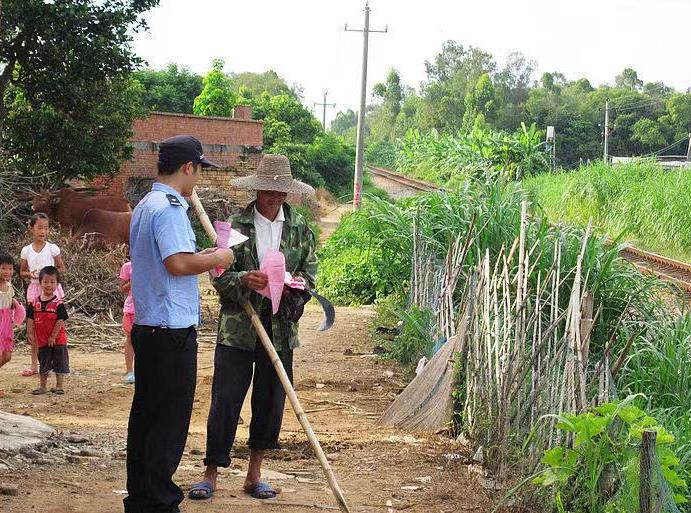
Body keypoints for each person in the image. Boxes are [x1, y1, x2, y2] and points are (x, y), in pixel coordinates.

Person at [189, 154, 317, 501]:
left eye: (278, 193)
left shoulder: (301, 229)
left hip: (279, 332)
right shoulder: (233, 226)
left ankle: (254, 474)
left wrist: (297, 286)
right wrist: (244, 279)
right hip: (238, 329)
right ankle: (211, 472)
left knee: (270, 402)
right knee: (225, 401)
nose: (271, 198)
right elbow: (218, 275)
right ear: (257, 190)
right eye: (265, 192)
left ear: (287, 194)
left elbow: (311, 274)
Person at [124, 135, 234, 513]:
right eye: (199, 169)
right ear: (188, 167)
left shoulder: (145, 204)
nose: (198, 179)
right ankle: (160, 502)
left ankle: (140, 498)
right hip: (170, 334)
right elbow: (177, 264)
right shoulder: (170, 208)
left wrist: (200, 255)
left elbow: (174, 258)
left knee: (146, 418)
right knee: (168, 424)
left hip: (149, 328)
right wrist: (219, 256)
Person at [19, 213, 66, 377]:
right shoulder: (26, 251)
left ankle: (56, 363)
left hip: (51, 291)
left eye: (46, 228)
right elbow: (22, 271)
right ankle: (34, 365)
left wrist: (49, 275)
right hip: (35, 290)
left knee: (54, 326)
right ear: (31, 228)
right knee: (35, 327)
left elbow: (61, 268)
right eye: (39, 228)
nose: (43, 231)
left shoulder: (52, 248)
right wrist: (30, 274)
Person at [26, 266, 69, 395]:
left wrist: (53, 336)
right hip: (42, 340)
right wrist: (29, 332)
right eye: (45, 282)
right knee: (43, 362)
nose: (48, 285)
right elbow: (30, 318)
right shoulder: (34, 303)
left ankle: (59, 386)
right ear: (40, 283)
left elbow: (60, 320)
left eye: (52, 282)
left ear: (57, 284)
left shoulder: (58, 303)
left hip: (58, 340)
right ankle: (43, 386)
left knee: (59, 362)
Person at [0, 252, 26, 398]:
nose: (7, 272)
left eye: (10, 269)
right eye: (3, 268)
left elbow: (9, 301)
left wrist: (15, 305)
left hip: (6, 325)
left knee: (7, 356)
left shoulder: (9, 286)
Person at [119, 260, 135, 384]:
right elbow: (123, 289)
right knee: (130, 338)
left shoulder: (152, 263)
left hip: (148, 309)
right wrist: (132, 282)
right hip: (131, 309)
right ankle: (130, 370)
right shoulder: (127, 267)